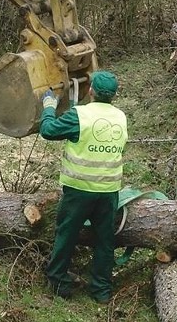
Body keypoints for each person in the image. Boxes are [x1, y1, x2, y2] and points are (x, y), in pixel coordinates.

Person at [40, 70, 128, 304]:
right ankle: (101, 291)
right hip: (109, 192)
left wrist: (49, 106)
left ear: (91, 91)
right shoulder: (120, 117)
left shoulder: (80, 115)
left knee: (66, 235)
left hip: (79, 191)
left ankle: (59, 282)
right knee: (104, 241)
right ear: (113, 95)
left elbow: (48, 131)